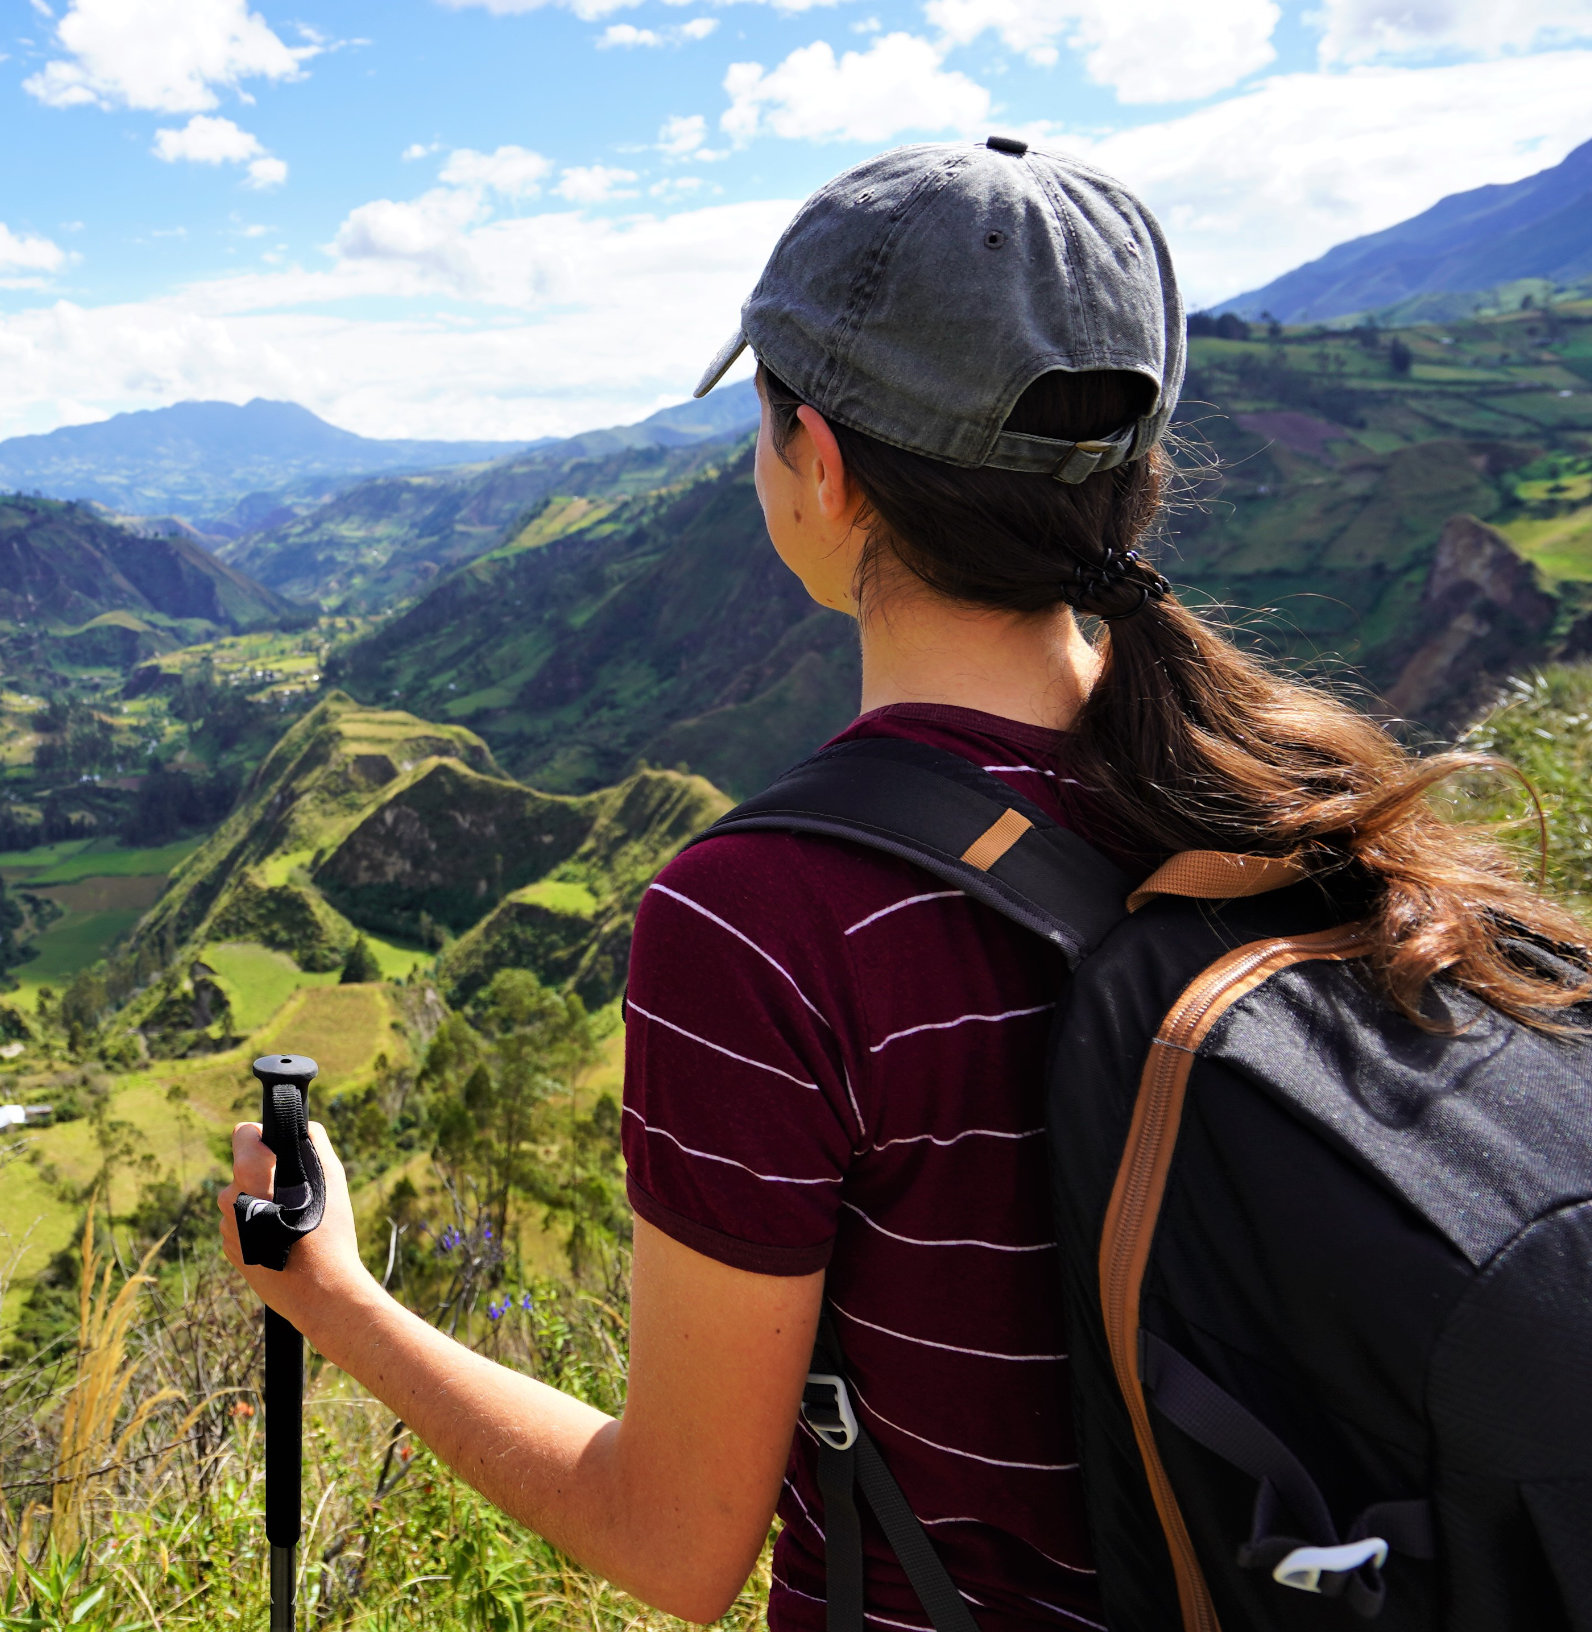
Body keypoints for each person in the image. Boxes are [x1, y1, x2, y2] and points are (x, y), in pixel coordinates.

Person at [218, 136, 1589, 1629]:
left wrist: (331, 1296)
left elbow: (675, 1543)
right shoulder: (1307, 799)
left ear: (820, 460)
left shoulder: (766, 924)